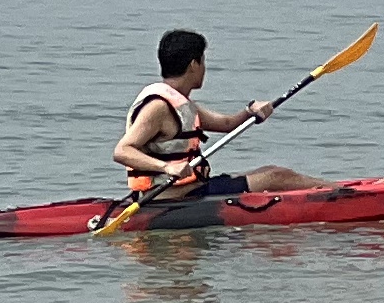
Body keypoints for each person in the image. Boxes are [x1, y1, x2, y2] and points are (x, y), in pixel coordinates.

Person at [113, 29, 321, 200]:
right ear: (194, 65)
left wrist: (251, 111)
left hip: (192, 188)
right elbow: (122, 151)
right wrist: (167, 168)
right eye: (203, 61)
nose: (204, 67)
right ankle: (344, 195)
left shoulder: (180, 103)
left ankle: (336, 189)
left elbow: (228, 123)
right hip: (169, 196)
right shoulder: (158, 107)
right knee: (276, 177)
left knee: (271, 170)